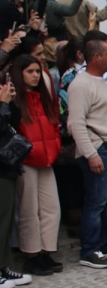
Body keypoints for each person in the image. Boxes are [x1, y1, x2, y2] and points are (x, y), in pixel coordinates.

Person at [66, 33, 107, 268]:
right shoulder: (81, 84)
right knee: (95, 201)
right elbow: (76, 123)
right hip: (97, 149)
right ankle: (89, 249)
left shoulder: (102, 80)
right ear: (95, 56)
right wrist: (90, 154)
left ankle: (104, 242)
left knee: (103, 201)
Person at [10, 54, 63, 276]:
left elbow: (54, 126)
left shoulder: (43, 99)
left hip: (46, 158)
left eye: (36, 71)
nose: (35, 76)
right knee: (29, 209)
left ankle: (46, 250)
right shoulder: (14, 102)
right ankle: (32, 254)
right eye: (29, 72)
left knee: (52, 208)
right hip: (27, 160)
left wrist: (55, 147)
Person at [0, 76, 32, 288]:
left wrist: (10, 104)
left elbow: (12, 125)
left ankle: (3, 266)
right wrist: (3, 105)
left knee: (6, 219)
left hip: (7, 165)